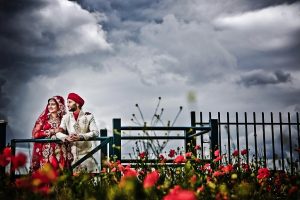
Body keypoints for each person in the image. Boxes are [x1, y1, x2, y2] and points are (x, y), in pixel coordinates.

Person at [56, 93, 99, 173]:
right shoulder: (65, 117)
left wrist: (81, 137)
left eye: (69, 102)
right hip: (71, 160)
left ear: (77, 104)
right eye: (67, 102)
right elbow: (58, 133)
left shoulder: (89, 117)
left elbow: (95, 132)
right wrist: (66, 137)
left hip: (87, 158)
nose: (67, 104)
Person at [31, 96, 73, 172]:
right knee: (48, 175)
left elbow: (70, 133)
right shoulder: (43, 119)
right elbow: (35, 134)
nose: (50, 106)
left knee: (61, 174)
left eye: (53, 104)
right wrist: (52, 131)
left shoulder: (64, 119)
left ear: (59, 105)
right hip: (46, 153)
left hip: (62, 151)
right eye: (49, 104)